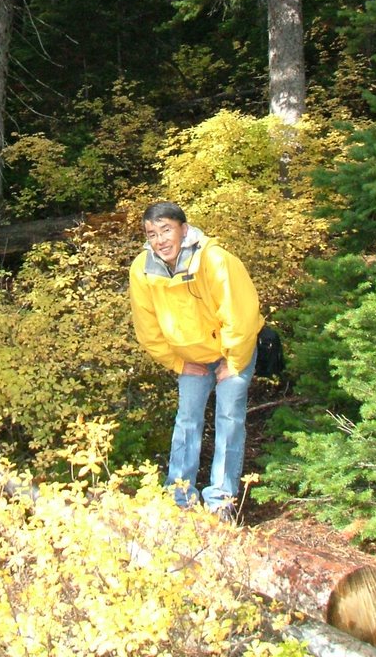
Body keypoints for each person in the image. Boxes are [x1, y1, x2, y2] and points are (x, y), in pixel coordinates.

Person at [129, 201, 263, 518]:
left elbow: (239, 315)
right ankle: (179, 498)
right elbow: (146, 327)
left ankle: (221, 501)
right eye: (152, 234)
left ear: (184, 230)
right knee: (187, 420)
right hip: (191, 356)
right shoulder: (143, 269)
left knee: (229, 419)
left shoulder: (214, 260)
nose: (160, 240)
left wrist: (233, 360)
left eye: (166, 230)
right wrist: (177, 363)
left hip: (234, 348)